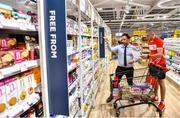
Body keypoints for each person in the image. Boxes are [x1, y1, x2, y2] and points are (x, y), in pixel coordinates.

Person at [106, 33, 141, 103]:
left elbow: (138, 57)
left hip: (129, 69)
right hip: (120, 68)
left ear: (128, 39)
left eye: (124, 39)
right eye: (122, 39)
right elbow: (111, 50)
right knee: (115, 83)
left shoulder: (133, 48)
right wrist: (107, 42)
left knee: (130, 83)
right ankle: (112, 95)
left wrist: (133, 60)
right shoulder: (119, 47)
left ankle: (131, 96)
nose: (122, 41)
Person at [141, 31, 166, 111]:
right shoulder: (149, 41)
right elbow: (152, 52)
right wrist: (150, 61)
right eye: (146, 36)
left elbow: (160, 54)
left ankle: (162, 102)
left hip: (161, 65)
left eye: (148, 35)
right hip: (153, 64)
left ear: (153, 34)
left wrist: (148, 56)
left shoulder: (159, 41)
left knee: (161, 83)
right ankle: (155, 96)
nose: (147, 37)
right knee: (155, 81)